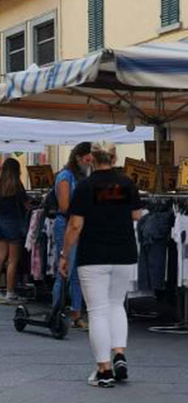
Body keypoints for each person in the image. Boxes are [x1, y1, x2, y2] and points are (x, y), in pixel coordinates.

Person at [59, 144, 142, 388]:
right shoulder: (127, 183)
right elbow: (137, 215)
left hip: (93, 254)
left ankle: (104, 371)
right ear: (114, 158)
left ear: (91, 159)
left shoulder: (85, 187)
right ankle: (119, 354)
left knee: (97, 311)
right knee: (117, 305)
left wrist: (65, 255)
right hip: (124, 252)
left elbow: (75, 225)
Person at [52, 141, 92, 329]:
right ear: (78, 157)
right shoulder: (65, 176)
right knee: (65, 269)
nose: (90, 161)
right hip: (67, 225)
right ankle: (56, 311)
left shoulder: (83, 176)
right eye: (87, 158)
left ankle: (76, 314)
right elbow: (64, 206)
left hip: (80, 225)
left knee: (78, 273)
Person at [0, 158, 29, 304]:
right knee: (12, 261)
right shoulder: (17, 185)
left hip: (1, 222)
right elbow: (27, 205)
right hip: (14, 224)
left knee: (0, 257)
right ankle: (10, 293)